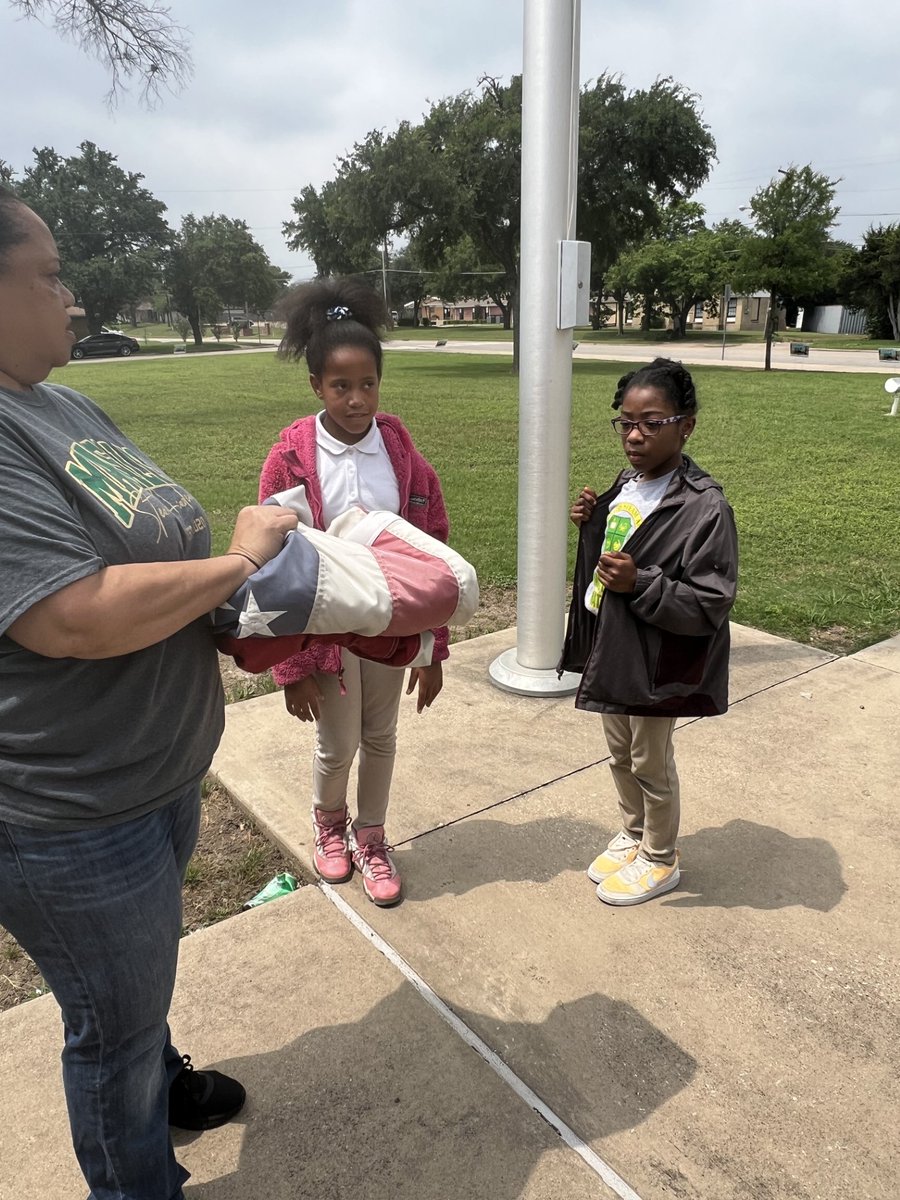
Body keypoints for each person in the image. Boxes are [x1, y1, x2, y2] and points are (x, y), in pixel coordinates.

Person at [0, 188, 298, 1200]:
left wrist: (224, 607)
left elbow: (148, 542)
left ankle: (159, 1078)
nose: (73, 298)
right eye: (48, 274)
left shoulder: (61, 403)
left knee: (136, 988)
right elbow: (72, 614)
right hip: (70, 817)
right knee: (108, 1032)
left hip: (152, 776)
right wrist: (238, 563)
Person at [258, 279, 449, 907]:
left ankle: (372, 837)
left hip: (389, 625)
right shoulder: (290, 456)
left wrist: (432, 643)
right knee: (337, 743)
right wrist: (292, 667)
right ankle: (329, 825)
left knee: (382, 737)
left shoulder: (397, 447)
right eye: (341, 385)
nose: (356, 398)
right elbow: (275, 561)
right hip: (326, 630)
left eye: (368, 383)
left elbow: (430, 545)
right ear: (317, 385)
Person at [560, 357, 737, 906]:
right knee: (618, 753)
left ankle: (661, 857)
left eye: (652, 422)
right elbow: (612, 563)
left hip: (655, 659)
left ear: (686, 425)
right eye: (626, 422)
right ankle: (633, 832)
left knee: (649, 760)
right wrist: (591, 525)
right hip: (614, 649)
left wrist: (641, 584)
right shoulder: (627, 485)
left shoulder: (705, 508)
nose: (635, 435)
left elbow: (708, 603)